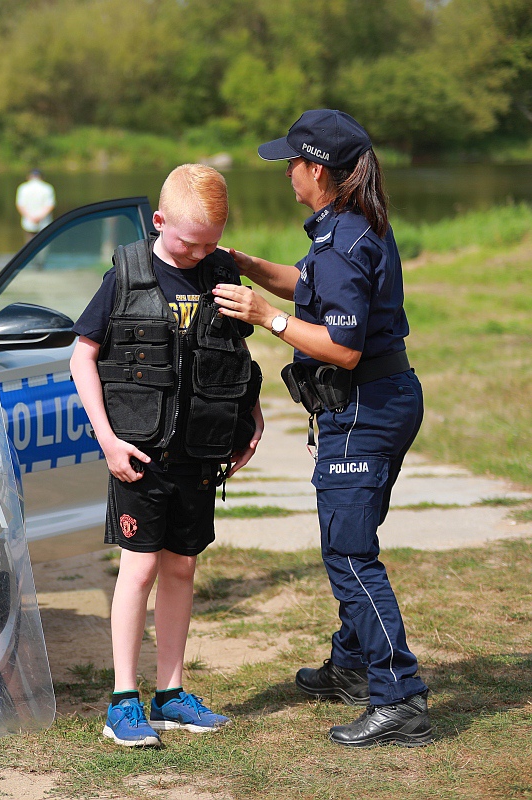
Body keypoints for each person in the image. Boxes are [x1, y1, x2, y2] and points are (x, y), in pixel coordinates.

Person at [213, 109, 432, 748]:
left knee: (349, 551)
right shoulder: (352, 226)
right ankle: (355, 663)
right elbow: (311, 282)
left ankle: (399, 696)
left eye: (292, 162)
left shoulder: (343, 241)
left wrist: (267, 318)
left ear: (320, 170)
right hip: (385, 401)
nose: (287, 172)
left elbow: (342, 348)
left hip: (363, 406)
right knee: (351, 538)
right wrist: (250, 265)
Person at [70, 164, 264, 747]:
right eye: (188, 241)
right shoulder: (126, 274)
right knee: (141, 568)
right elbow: (83, 356)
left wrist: (250, 419)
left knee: (182, 565)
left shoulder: (222, 275)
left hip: (199, 454)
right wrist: (106, 439)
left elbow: (235, 362)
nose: (199, 252)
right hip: (138, 452)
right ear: (159, 222)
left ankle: (172, 693)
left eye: (211, 242)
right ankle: (123, 702)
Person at [16, 169, 55, 240]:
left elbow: (20, 205)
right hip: (44, 223)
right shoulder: (47, 188)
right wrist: (39, 218)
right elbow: (50, 205)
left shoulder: (23, 188)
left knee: (29, 245)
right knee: (44, 244)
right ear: (42, 177)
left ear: (29, 177)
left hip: (28, 222)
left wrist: (30, 218)